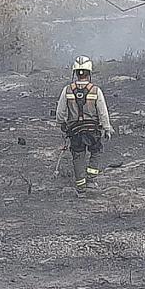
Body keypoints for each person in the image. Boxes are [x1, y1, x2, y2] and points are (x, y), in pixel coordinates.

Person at [56, 55, 114, 197]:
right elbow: (103, 112)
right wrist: (107, 128)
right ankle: (91, 180)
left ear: (75, 73)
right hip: (92, 130)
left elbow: (60, 113)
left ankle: (80, 188)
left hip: (75, 131)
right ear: (89, 73)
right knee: (96, 151)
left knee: (78, 156)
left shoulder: (67, 90)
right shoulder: (96, 91)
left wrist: (63, 124)